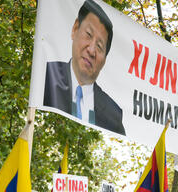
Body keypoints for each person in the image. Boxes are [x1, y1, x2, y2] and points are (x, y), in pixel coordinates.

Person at [44, 0, 125, 136]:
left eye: (99, 46)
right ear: (75, 29)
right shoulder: (45, 77)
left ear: (104, 60)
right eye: (88, 34)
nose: (92, 50)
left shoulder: (114, 114)